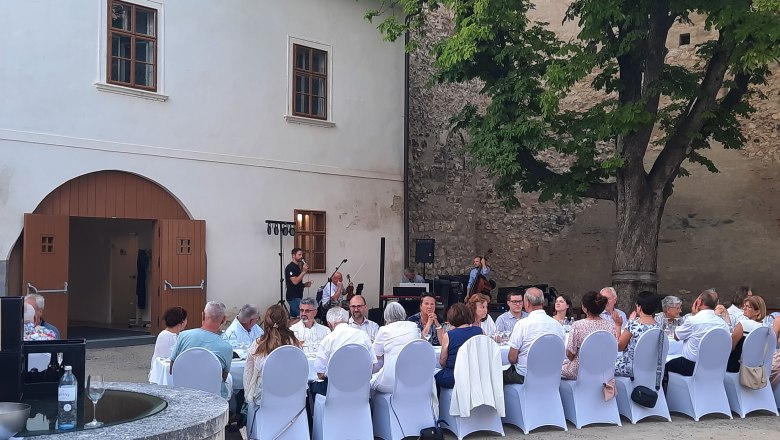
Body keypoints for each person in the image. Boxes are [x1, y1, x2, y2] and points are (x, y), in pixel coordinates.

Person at [169, 301, 233, 399]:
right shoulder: (226, 348)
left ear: (203, 315)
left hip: (183, 395)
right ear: (223, 320)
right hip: (213, 399)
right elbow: (222, 378)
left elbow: (172, 370)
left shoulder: (183, 336)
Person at [504, 287, 565, 384]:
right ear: (542, 302)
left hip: (525, 375)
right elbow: (561, 351)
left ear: (527, 303)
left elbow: (512, 358)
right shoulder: (557, 325)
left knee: (498, 375)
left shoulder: (522, 324)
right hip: (551, 374)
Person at [311, 307, 377, 396]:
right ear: (347, 321)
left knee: (312, 386)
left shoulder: (328, 339)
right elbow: (372, 365)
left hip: (334, 390)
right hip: (360, 389)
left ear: (329, 324)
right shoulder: (363, 335)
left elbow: (320, 373)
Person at [243, 305, 301, 407]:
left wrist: (248, 395)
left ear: (266, 322)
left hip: (264, 398)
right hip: (291, 396)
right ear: (286, 321)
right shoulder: (294, 343)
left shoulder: (258, 345)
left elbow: (248, 372)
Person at [665, 290, 729, 379]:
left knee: (666, 366)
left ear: (699, 302)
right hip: (714, 367)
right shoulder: (723, 324)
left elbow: (676, 336)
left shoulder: (693, 320)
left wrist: (694, 315)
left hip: (690, 366)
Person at [561, 291, 616, 380]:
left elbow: (570, 353)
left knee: (555, 369)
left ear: (584, 308)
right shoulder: (610, 325)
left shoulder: (578, 325)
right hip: (602, 369)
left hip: (580, 370)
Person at [370, 302, 421, 393]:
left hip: (391, 380)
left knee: (371, 381)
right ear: (403, 313)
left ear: (386, 316)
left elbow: (375, 355)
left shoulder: (384, 330)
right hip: (413, 378)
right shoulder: (413, 326)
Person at [434, 303, 483, 389]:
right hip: (476, 376)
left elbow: (442, 361)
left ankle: (439, 398)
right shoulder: (480, 331)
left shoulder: (449, 335)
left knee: (433, 376)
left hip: (454, 377)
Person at [614, 292, 661, 377]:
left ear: (639, 307)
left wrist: (618, 326)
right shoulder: (658, 327)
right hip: (650, 367)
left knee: (605, 365)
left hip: (630, 367)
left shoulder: (633, 325)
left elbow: (619, 347)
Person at [726, 295, 767, 373]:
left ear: (757, 311)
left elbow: (730, 347)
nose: (744, 308)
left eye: (748, 307)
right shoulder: (766, 328)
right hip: (757, 369)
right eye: (744, 306)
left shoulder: (743, 324)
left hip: (737, 368)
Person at [285, 247, 312, 319]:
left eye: (302, 255)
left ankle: (292, 326)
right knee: (303, 316)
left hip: (298, 296)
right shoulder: (290, 267)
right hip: (293, 297)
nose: (301, 256)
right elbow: (295, 281)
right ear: (293, 256)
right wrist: (304, 272)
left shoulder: (297, 267)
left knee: (294, 318)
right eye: (299, 255)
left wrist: (304, 285)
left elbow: (297, 283)